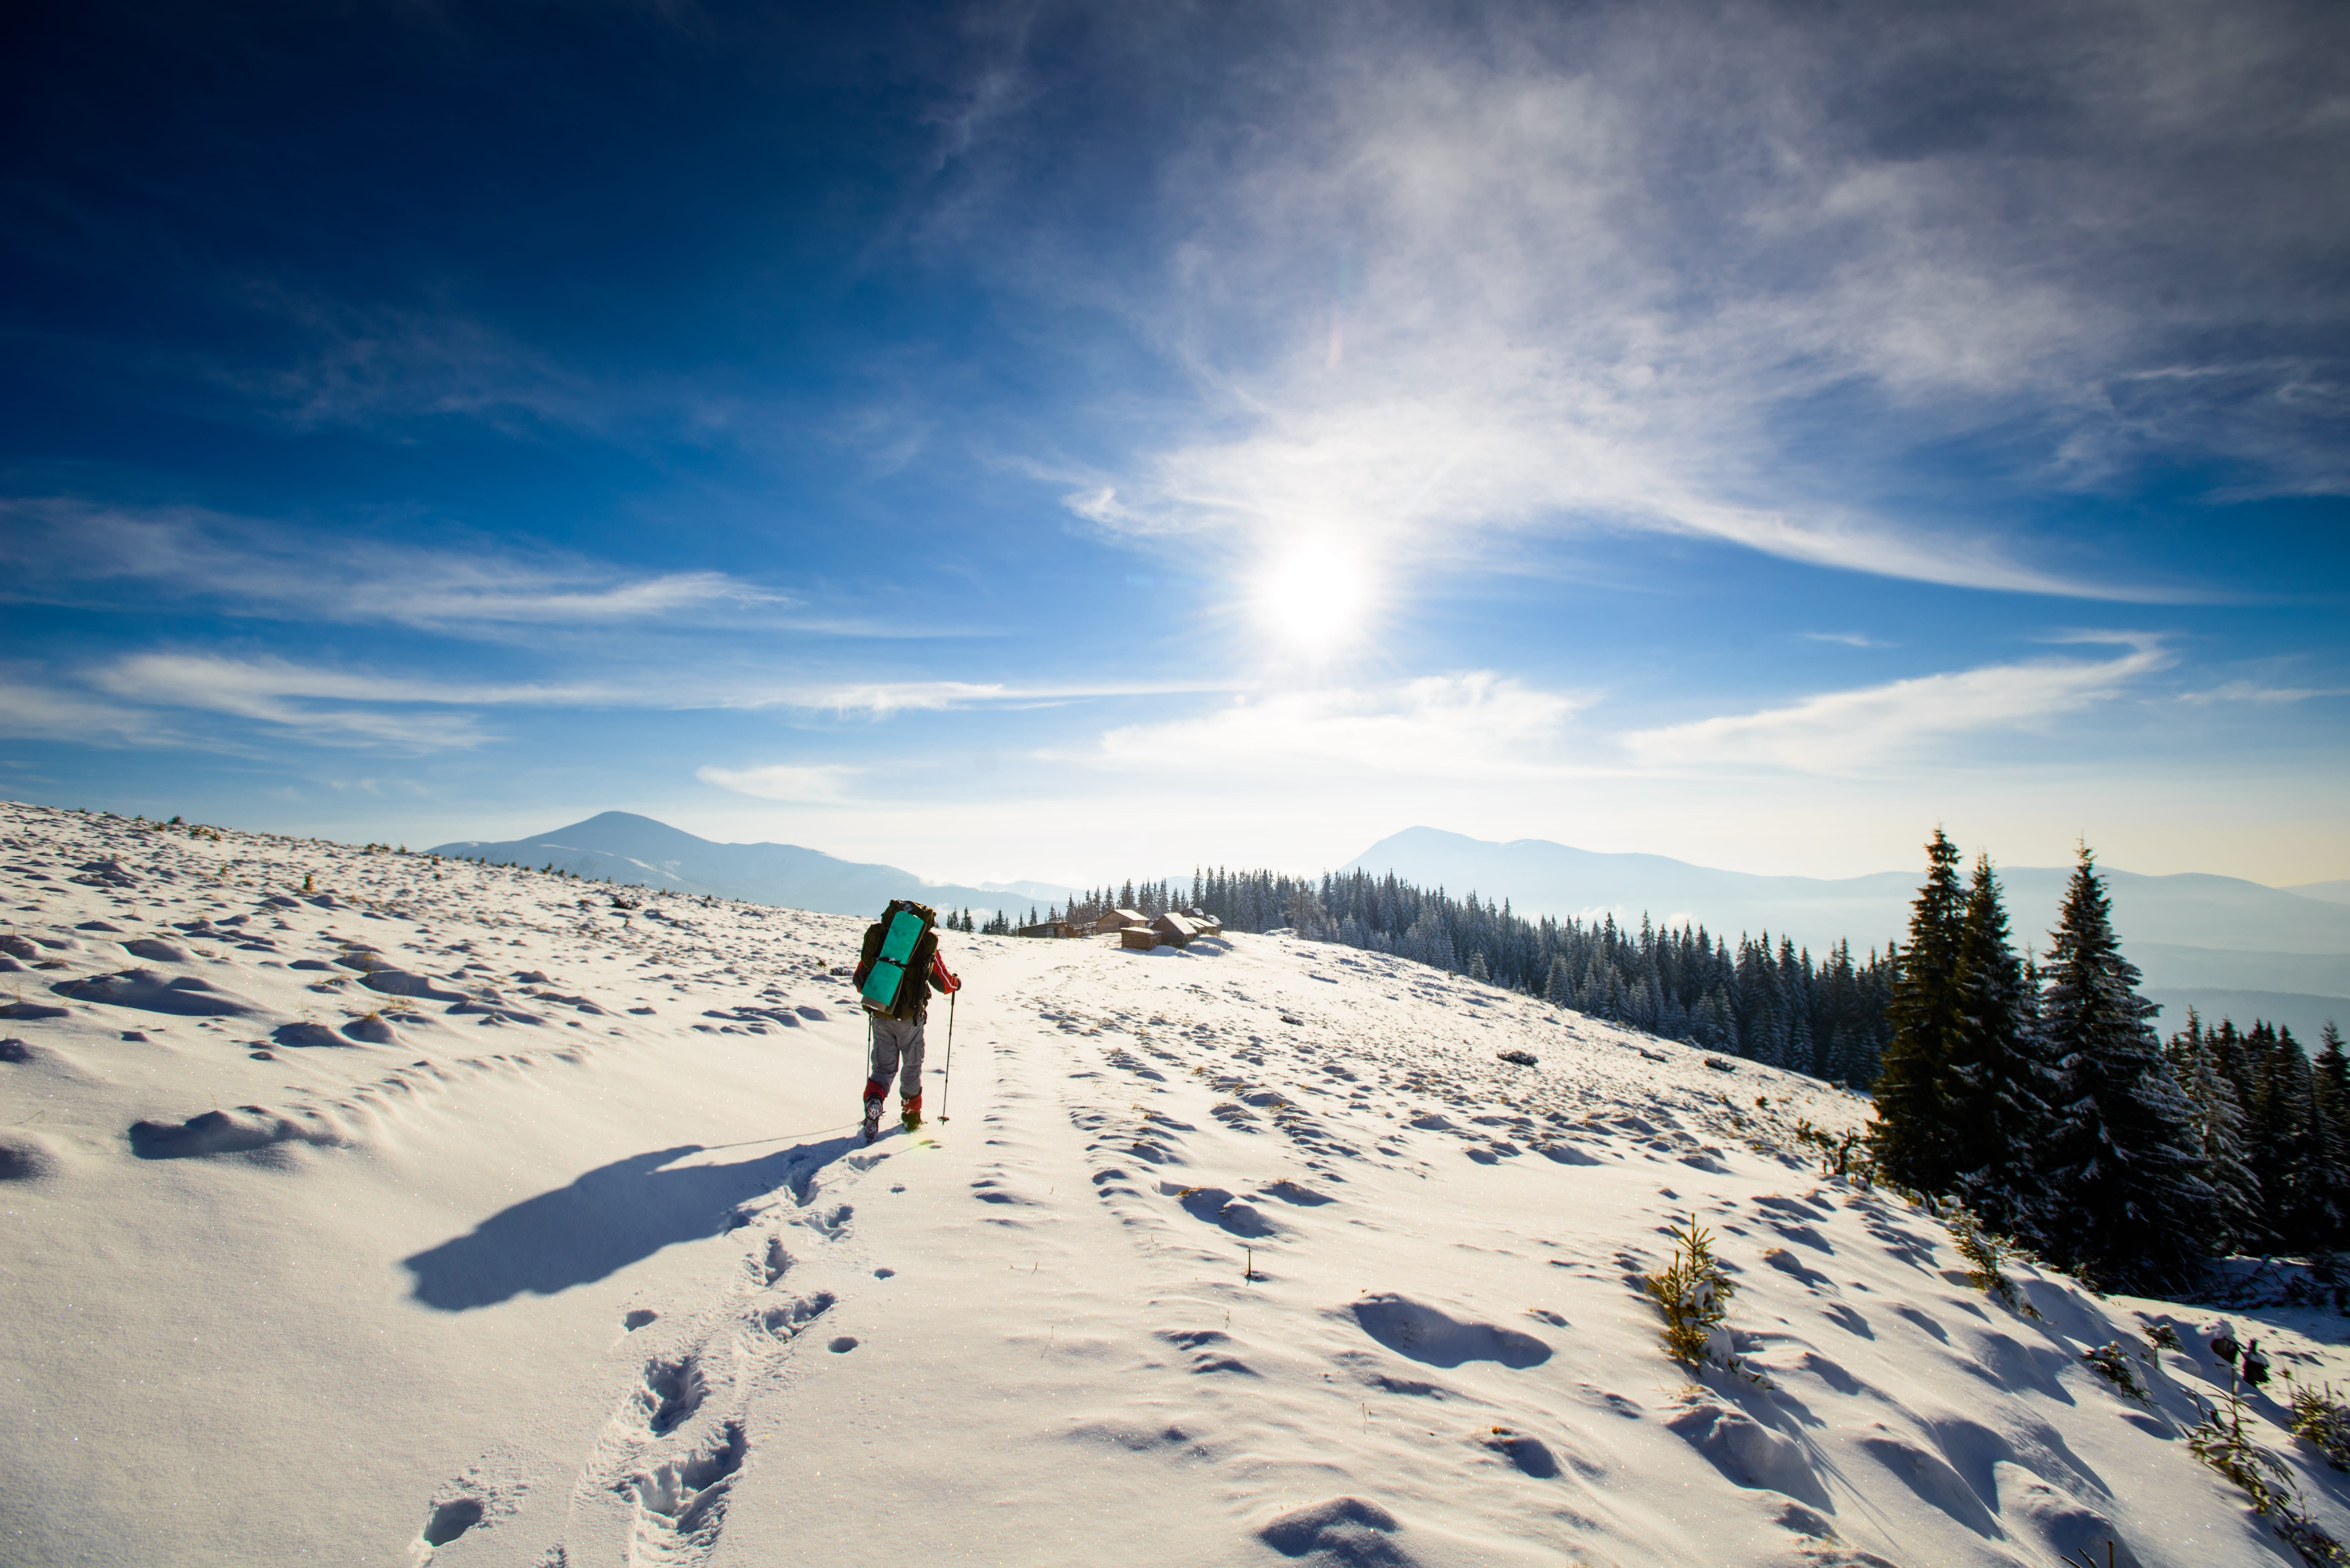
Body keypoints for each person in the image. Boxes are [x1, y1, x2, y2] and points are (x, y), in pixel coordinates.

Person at [852, 907, 959, 1140]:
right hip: (910, 1020)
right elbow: (943, 983)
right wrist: (956, 984)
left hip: (881, 1014)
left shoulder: (883, 941)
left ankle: (874, 1102)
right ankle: (912, 1117)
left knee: (882, 1068)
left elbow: (860, 979)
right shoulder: (924, 944)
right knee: (911, 1067)